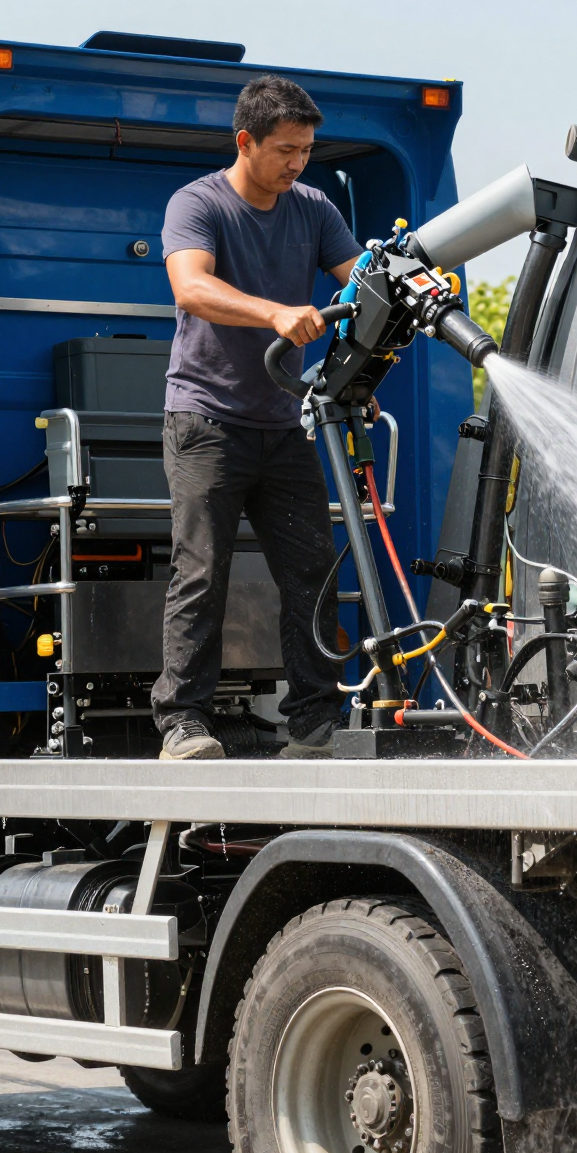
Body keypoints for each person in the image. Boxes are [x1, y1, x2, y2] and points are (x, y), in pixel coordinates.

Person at [153, 75, 362, 760]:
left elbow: (360, 285)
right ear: (246, 142)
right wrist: (273, 310)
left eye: (306, 150)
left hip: (283, 424)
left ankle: (313, 723)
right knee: (201, 573)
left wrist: (357, 370)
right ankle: (183, 724)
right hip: (205, 422)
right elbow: (192, 285)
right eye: (285, 150)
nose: (297, 163)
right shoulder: (197, 203)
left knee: (313, 570)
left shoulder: (314, 208)